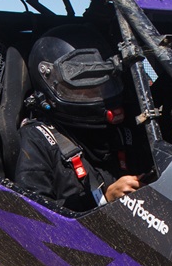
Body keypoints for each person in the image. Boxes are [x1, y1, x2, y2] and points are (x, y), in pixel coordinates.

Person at [13, 24, 142, 211]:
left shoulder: (123, 131)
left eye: (101, 86)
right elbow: (33, 215)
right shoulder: (38, 137)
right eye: (85, 89)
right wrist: (103, 199)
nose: (97, 95)